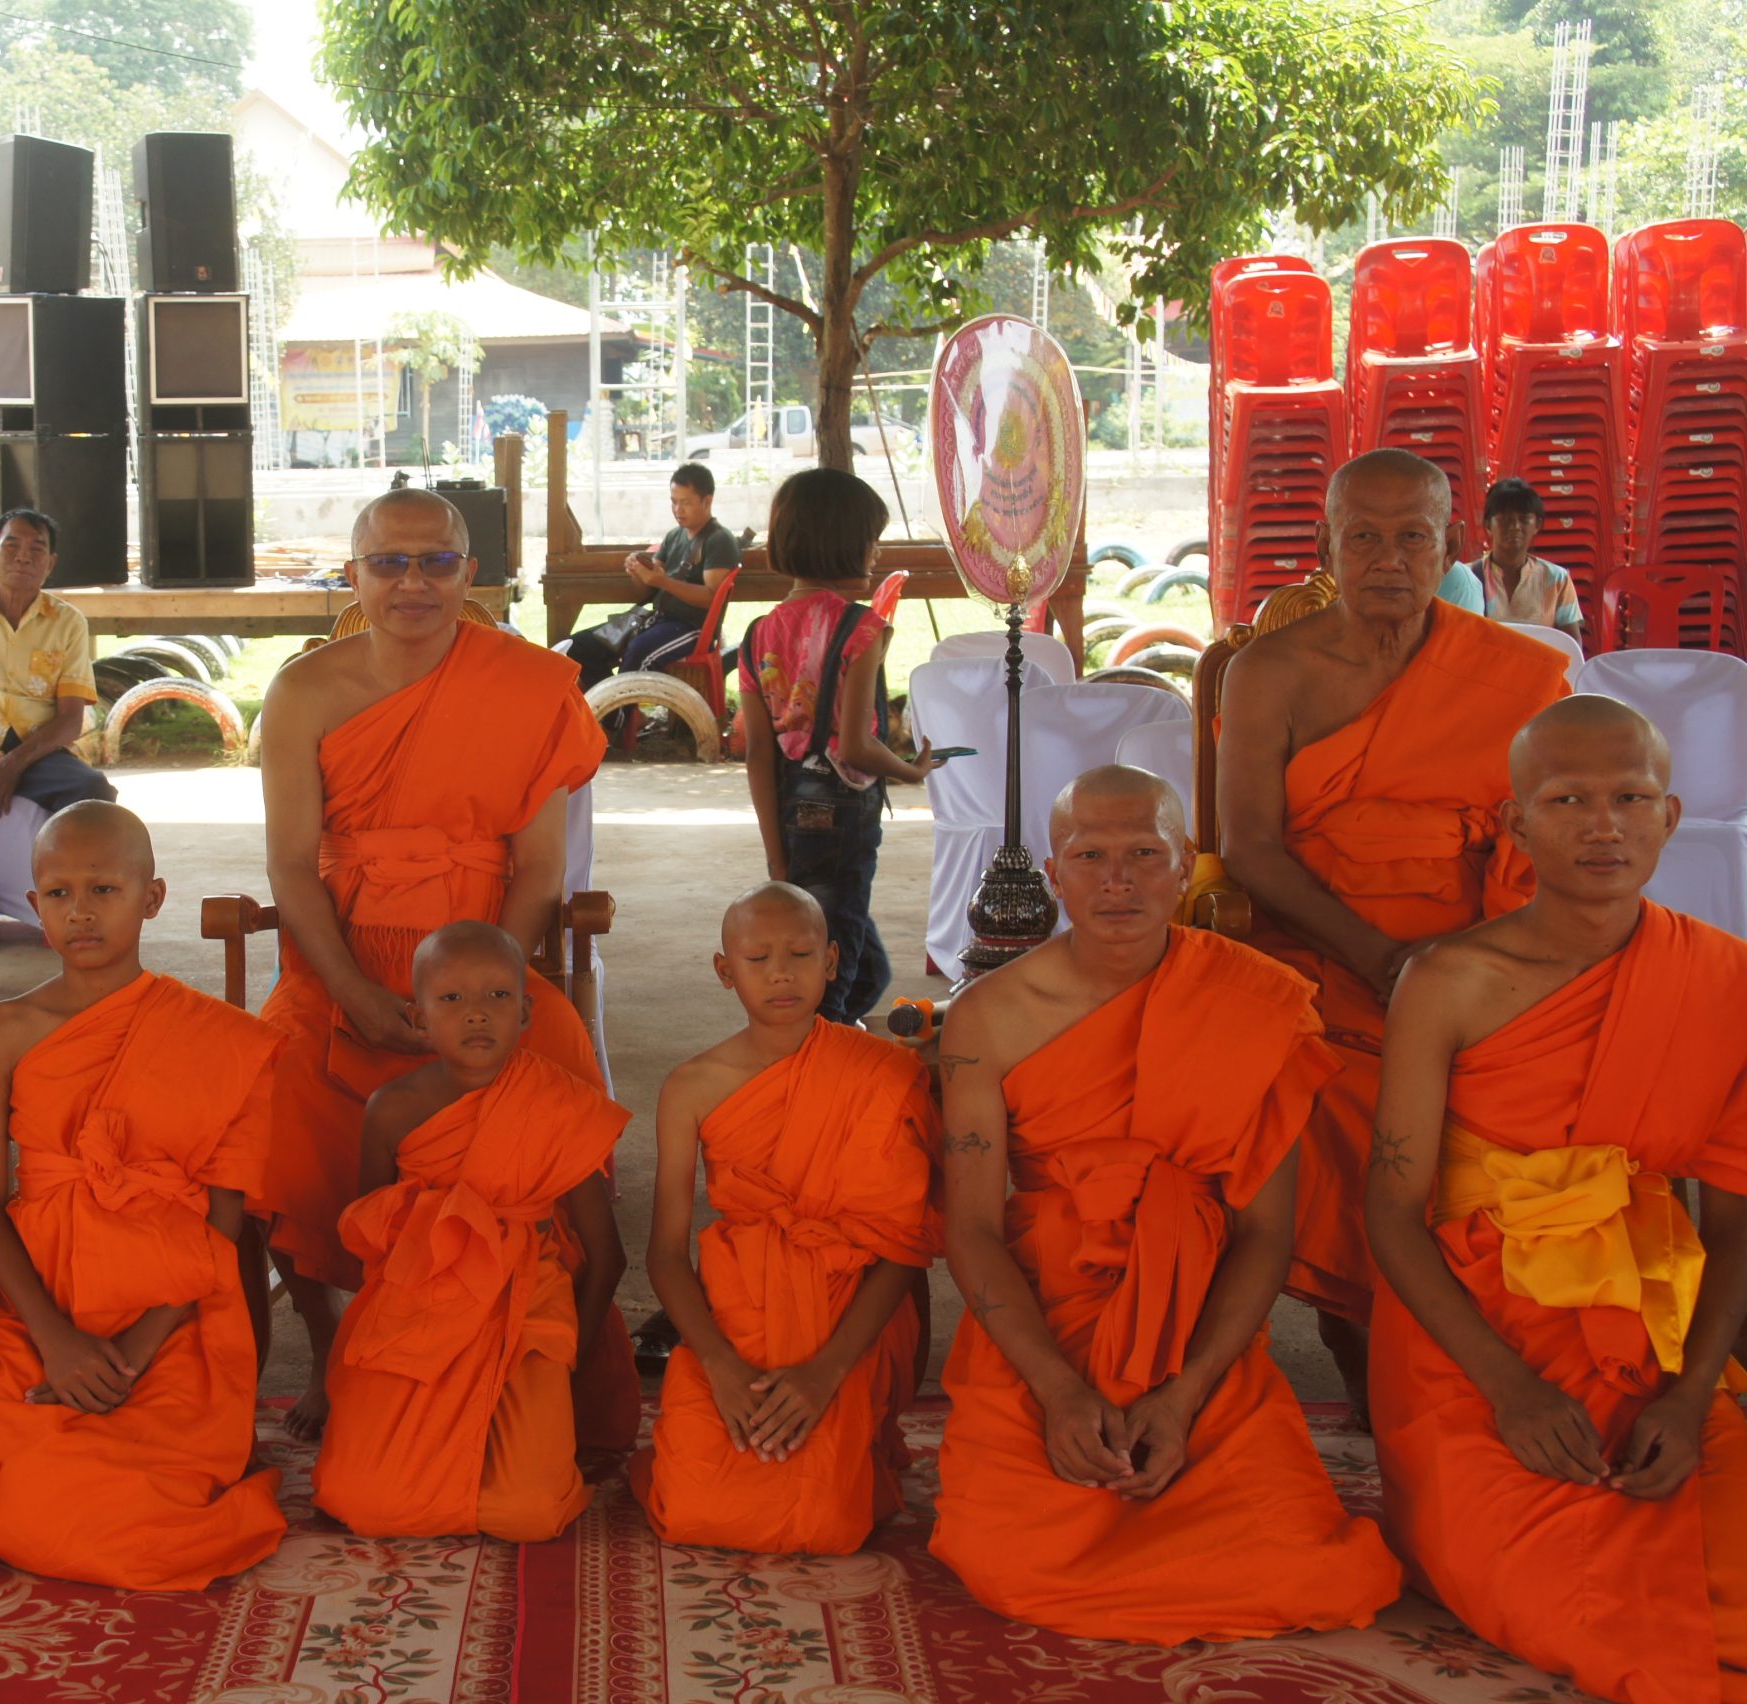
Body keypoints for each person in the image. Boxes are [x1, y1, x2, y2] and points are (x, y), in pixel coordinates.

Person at [930, 767, 1401, 1641]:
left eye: (1145, 854)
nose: (1118, 881)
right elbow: (972, 1228)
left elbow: (1267, 1232)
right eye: (1091, 856)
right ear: (1053, 869)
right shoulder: (988, 1017)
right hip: (1047, 1312)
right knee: (1010, 1559)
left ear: (1185, 864)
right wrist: (1059, 1391)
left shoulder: (1257, 1002)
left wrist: (1184, 1398)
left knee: (1301, 1564)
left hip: (1198, 1321)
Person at [1369, 696, 1747, 1704]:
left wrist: (1692, 1391)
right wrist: (1508, 1388)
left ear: (1669, 818)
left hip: (1640, 1327)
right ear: (1516, 822)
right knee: (1583, 1606)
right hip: (1474, 1335)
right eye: (1567, 798)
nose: (1602, 825)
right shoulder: (1448, 981)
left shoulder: (1719, 980)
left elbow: (1734, 1226)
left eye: (1629, 798)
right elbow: (1392, 1215)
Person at [255, 487, 636, 1449]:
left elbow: (542, 866)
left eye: (436, 562)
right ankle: (331, 1340)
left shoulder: (532, 683)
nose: (413, 582)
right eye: (390, 562)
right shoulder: (304, 690)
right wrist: (347, 990)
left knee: (557, 1085)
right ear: (355, 573)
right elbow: (292, 866)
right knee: (277, 1103)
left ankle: (528, 1338)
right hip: (342, 961)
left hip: (486, 960)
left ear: (472, 574)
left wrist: (486, 1003)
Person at [1214, 447, 1570, 1406]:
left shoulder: (1516, 675)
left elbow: (1550, 845)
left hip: (1478, 965)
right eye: (1362, 536)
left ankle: (1509, 1355)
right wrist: (1376, 958)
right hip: (1321, 959)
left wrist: (1472, 971)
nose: (1388, 558)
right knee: (1329, 1099)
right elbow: (1249, 849)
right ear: (1326, 544)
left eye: (1413, 536)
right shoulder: (1270, 672)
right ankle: (1375, 1360)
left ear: (1451, 544)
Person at [0, 803, 286, 1590]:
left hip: (174, 1307)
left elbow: (224, 1216)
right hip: (41, 1310)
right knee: (21, 1513)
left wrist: (143, 1343)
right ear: (31, 903)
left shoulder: (219, 1039)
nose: (80, 911)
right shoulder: (0, 1034)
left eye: (105, 888)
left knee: (152, 1518)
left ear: (152, 897)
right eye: (57, 892)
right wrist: (55, 1339)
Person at [628, 883, 938, 1555]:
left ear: (831, 962)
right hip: (739, 1315)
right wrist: (719, 1365)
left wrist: (827, 1370)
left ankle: (860, 1430)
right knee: (694, 1507)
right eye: (757, 957)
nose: (780, 973)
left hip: (848, 1316)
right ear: (723, 970)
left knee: (828, 1523)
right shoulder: (692, 1085)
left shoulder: (884, 1073)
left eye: (800, 954)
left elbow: (905, 1248)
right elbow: (664, 1254)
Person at [310, 922, 626, 1542]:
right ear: (418, 1017)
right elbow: (370, 1235)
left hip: (525, 1308)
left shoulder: (555, 1102)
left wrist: (568, 1364)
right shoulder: (392, 1110)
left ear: (527, 1012)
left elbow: (608, 1257)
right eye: (451, 999)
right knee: (365, 1502)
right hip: (421, 1308)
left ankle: (514, 1437)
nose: (476, 1015)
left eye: (497, 997)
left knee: (529, 1511)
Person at [736, 468, 940, 1027]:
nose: (875, 551)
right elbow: (855, 745)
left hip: (789, 808)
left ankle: (813, 1043)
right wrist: (913, 769)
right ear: (846, 542)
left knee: (855, 954)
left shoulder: (757, 634)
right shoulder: (864, 628)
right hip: (845, 815)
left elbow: (759, 754)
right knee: (837, 959)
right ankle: (814, 1056)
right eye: (872, 538)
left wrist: (776, 852)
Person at [0, 508, 118, 819]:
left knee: (93, 790)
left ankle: (69, 867)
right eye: (11, 546)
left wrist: (12, 764)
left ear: (51, 563)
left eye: (36, 549)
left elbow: (70, 720)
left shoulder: (68, 623)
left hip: (36, 753)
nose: (23, 558)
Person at [559, 463, 741, 690]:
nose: (677, 509)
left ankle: (618, 719)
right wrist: (639, 572)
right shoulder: (675, 536)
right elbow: (648, 588)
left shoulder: (719, 540)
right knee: (578, 646)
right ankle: (613, 715)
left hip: (692, 628)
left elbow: (711, 597)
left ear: (707, 501)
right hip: (656, 619)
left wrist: (662, 581)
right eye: (674, 501)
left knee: (639, 653)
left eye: (685, 502)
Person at [1465, 478, 1584, 634]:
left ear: (1537, 525)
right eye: (1505, 519)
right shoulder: (1467, 577)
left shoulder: (1557, 580)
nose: (1515, 527)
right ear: (1488, 524)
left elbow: (1571, 646)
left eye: (1524, 519)